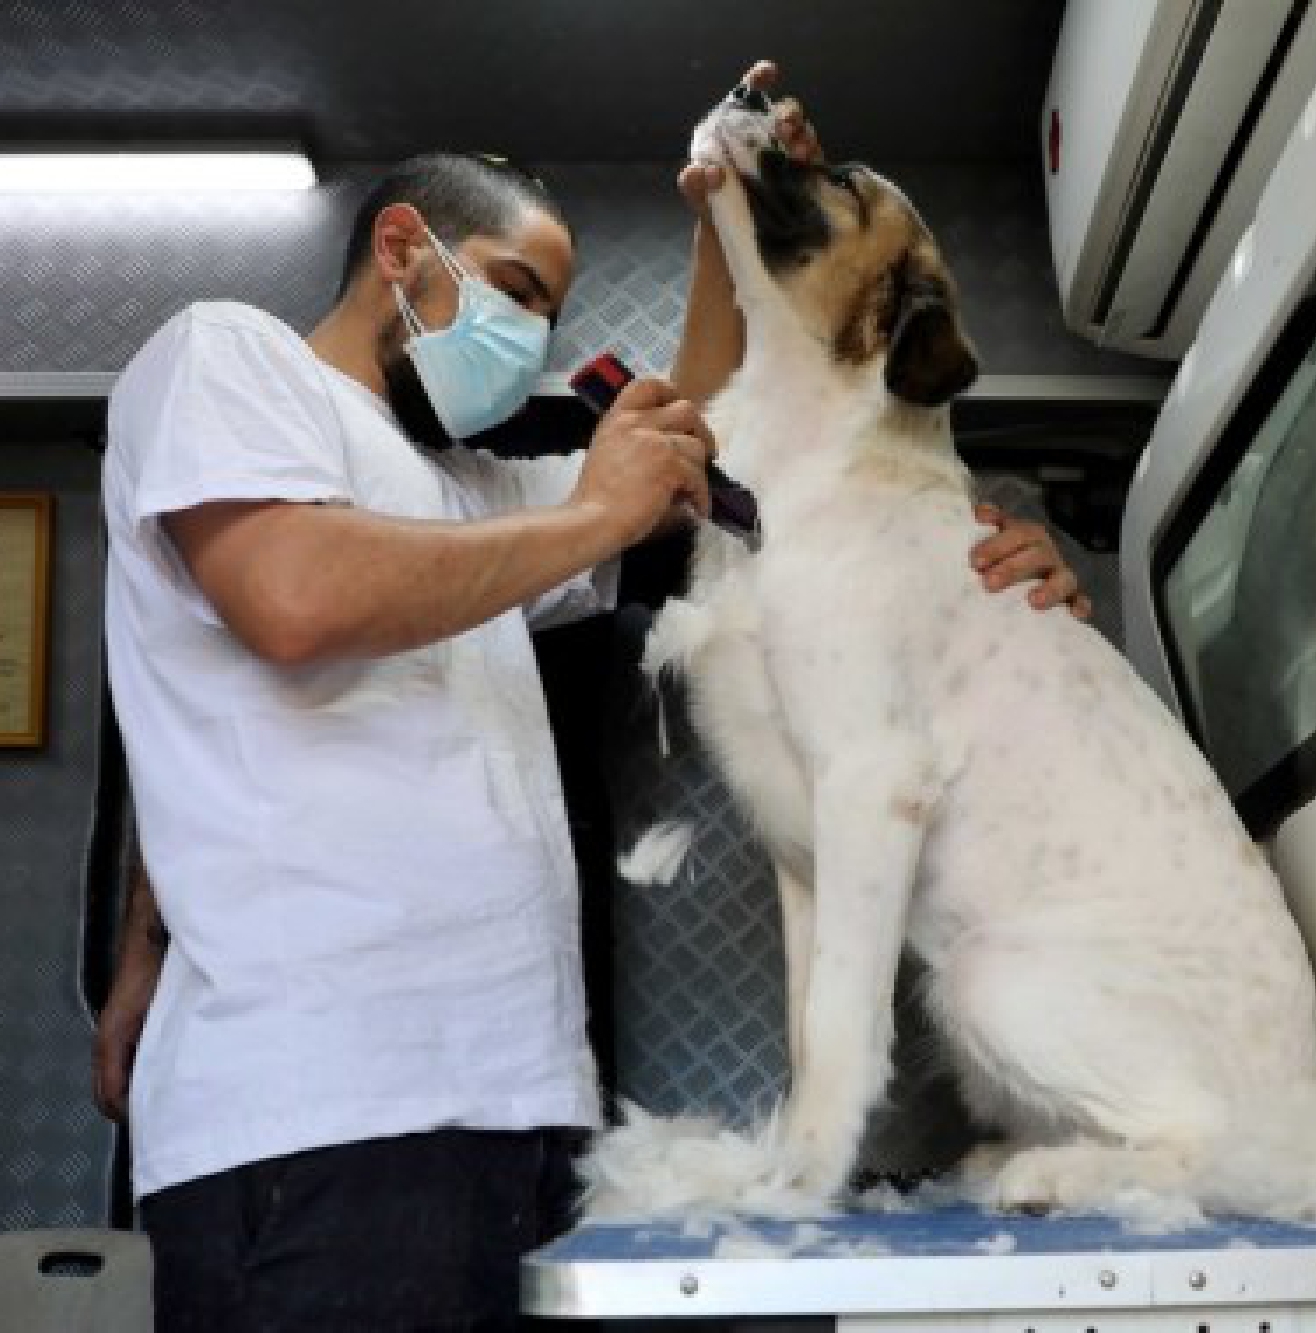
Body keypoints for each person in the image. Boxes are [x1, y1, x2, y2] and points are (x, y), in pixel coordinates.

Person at [97, 62, 1089, 1330]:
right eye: (512, 291)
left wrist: (724, 221)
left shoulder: (469, 493)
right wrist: (596, 515)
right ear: (401, 248)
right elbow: (288, 596)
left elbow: (687, 446)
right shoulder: (226, 361)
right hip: (317, 1118)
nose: (527, 340)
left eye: (549, 315)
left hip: (516, 1114)